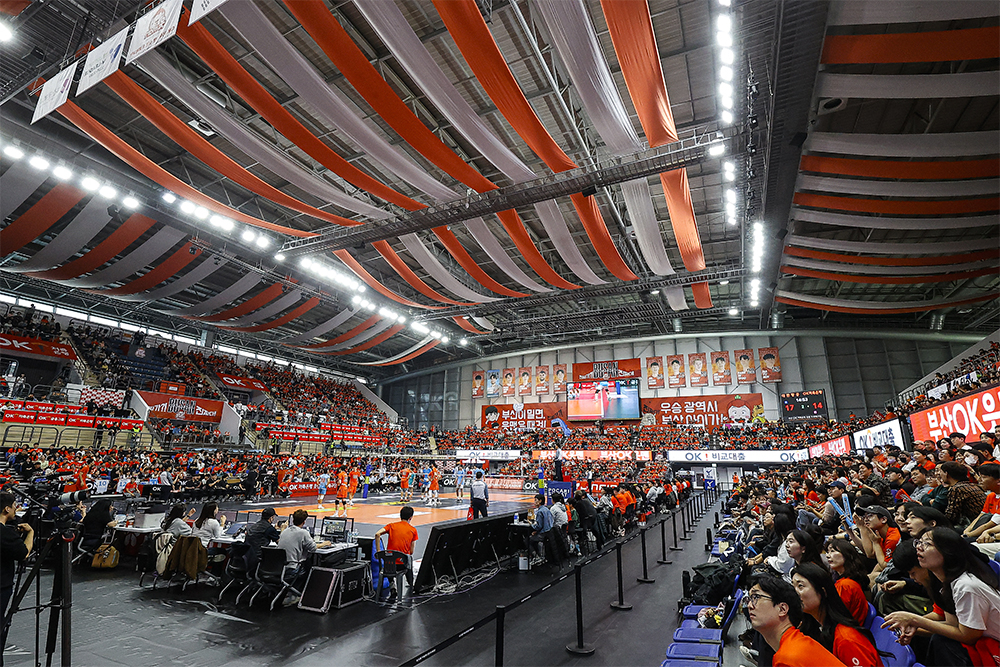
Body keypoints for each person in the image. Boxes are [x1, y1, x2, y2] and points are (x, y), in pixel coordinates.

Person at [882, 527, 1000, 666]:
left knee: (941, 642)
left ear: (947, 552)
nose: (919, 547)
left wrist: (914, 620)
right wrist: (914, 625)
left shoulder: (966, 586)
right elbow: (952, 624)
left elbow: (969, 636)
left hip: (994, 645)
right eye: (919, 542)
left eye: (927, 543)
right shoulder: (947, 583)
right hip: (986, 642)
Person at [791, 563, 885, 667]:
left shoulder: (846, 639)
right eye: (793, 586)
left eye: (800, 586)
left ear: (823, 591)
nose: (794, 593)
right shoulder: (815, 627)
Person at [747, 575, 846, 667]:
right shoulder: (797, 644)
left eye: (756, 597)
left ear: (782, 609)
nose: (749, 606)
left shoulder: (788, 658)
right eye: (749, 599)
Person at [1, 491, 33, 656]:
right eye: (14, 506)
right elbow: (24, 553)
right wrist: (30, 533)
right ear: (6, 509)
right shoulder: (5, 533)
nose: (16, 509)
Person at [277, 510, 330, 593]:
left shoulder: (284, 531)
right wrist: (324, 544)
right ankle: (307, 592)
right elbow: (313, 548)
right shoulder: (303, 533)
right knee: (309, 564)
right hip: (292, 568)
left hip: (279, 567)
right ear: (304, 522)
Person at [373, 506, 418, 601]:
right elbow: (411, 551)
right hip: (401, 565)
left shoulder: (391, 526)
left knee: (389, 563)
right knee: (409, 559)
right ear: (411, 517)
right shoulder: (413, 530)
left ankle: (392, 586)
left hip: (388, 564)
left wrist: (378, 552)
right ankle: (411, 584)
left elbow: (377, 534)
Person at [824, 538, 871, 626]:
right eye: (827, 552)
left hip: (848, 629)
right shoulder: (846, 581)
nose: (827, 555)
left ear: (847, 555)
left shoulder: (845, 585)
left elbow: (836, 616)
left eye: (832, 551)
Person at [526, 493, 553, 565]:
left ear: (540, 501)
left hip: (543, 534)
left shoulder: (540, 512)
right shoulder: (547, 509)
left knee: (528, 540)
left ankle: (536, 556)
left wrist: (531, 524)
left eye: (535, 500)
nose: (534, 502)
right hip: (548, 532)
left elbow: (539, 526)